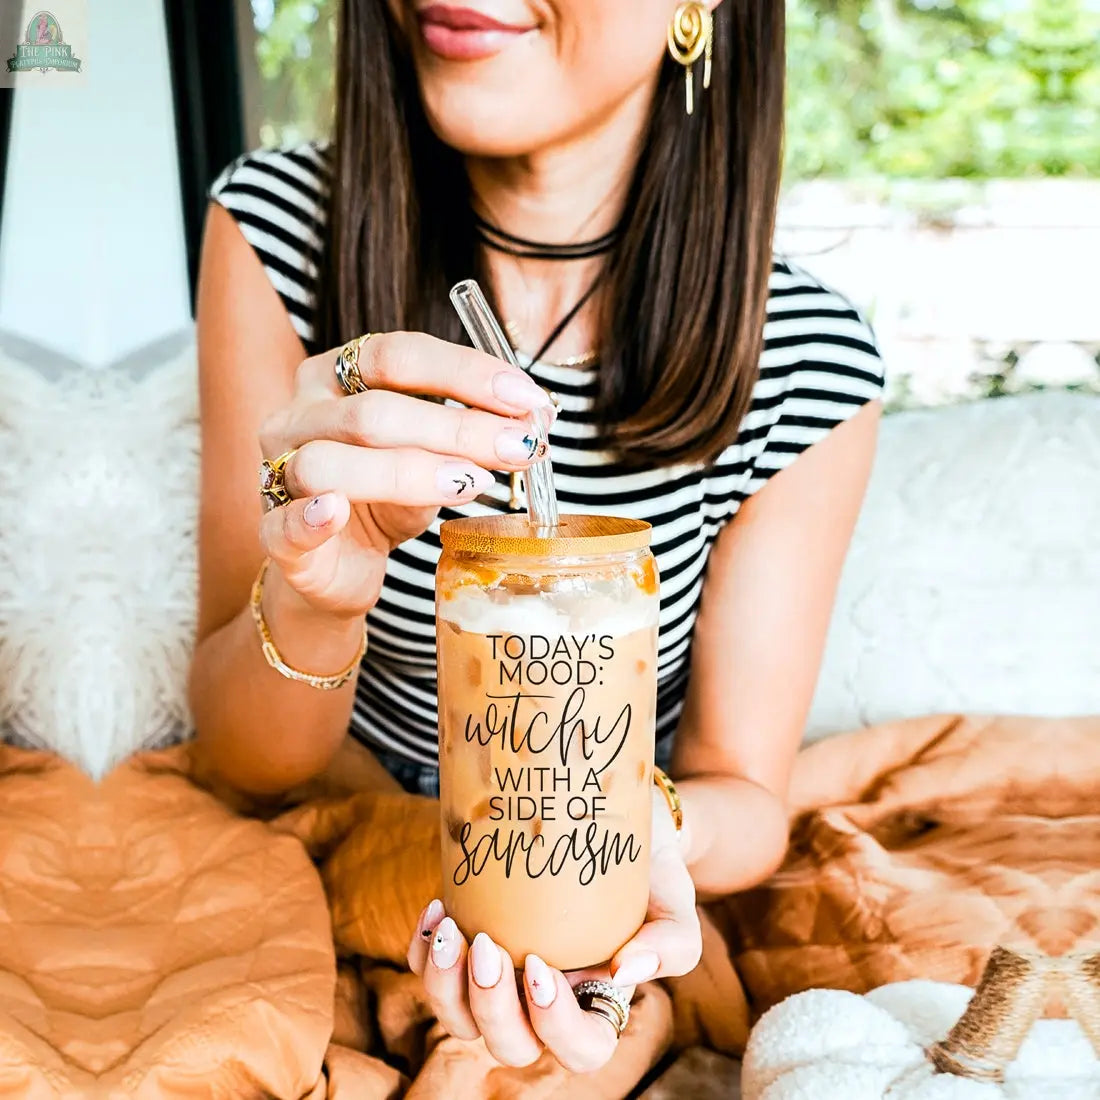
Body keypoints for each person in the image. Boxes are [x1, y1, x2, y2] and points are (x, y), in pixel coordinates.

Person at [191, 0, 884, 1075]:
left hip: (588, 869)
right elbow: (241, 759)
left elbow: (743, 795)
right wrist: (320, 595)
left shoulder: (804, 356)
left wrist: (620, 828)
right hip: (356, 824)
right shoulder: (280, 224)